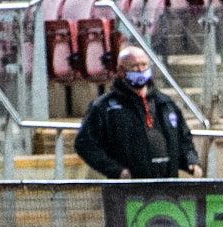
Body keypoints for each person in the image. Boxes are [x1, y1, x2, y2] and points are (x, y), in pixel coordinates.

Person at [74, 45, 203, 180]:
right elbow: (85, 144)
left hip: (167, 184)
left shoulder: (165, 103)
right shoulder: (105, 107)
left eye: (144, 65)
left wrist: (191, 161)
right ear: (121, 71)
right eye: (134, 66)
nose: (141, 70)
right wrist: (116, 170)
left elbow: (184, 139)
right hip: (128, 187)